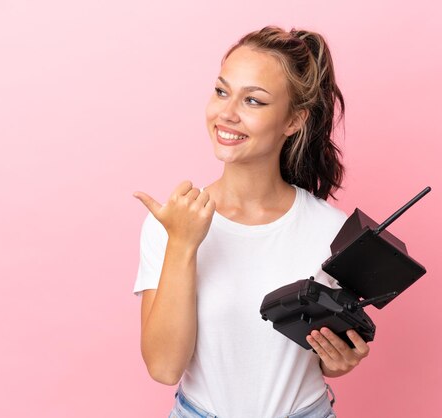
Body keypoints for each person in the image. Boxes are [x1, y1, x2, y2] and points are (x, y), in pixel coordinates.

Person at [133, 26, 370, 418]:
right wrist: (182, 244)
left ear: (293, 121)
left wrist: (338, 360)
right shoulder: (173, 221)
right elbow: (163, 367)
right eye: (222, 91)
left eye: (253, 101)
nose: (226, 113)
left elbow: (322, 354)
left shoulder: (331, 231)